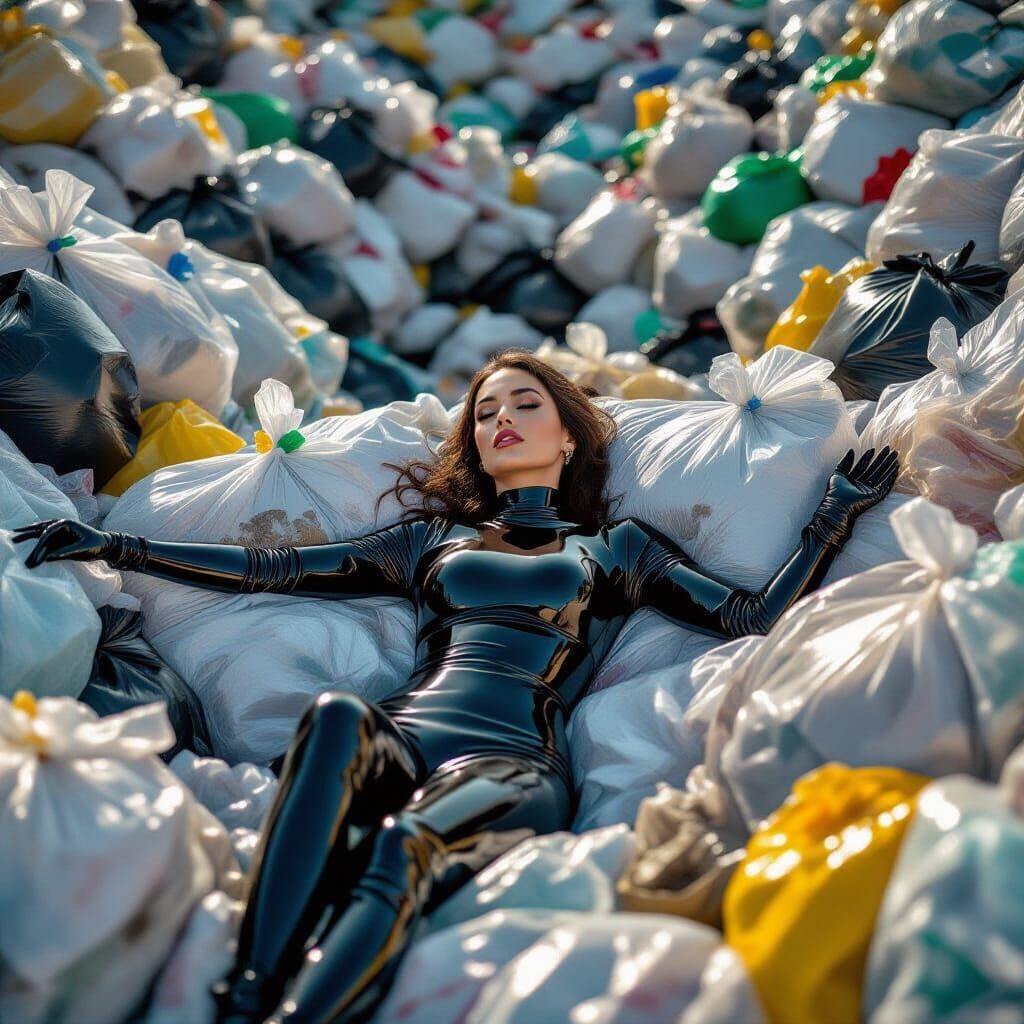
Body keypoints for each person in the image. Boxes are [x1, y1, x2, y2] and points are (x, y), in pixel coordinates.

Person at [14, 351, 899, 1024]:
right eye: (486, 412)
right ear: (472, 441)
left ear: (570, 431)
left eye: (528, 403)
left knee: (401, 851)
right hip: (402, 731)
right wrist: (118, 547)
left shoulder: (617, 548)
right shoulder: (431, 541)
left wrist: (833, 516)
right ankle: (246, 991)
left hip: (513, 758)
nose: (504, 419)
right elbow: (274, 569)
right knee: (330, 718)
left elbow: (747, 616)